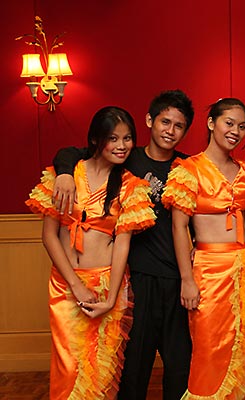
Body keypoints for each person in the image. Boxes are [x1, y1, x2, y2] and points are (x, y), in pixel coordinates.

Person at [51, 90, 195, 400]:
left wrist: (191, 277)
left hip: (176, 280)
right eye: (165, 122)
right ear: (150, 121)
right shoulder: (128, 158)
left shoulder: (188, 167)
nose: (170, 131)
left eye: (179, 126)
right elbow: (75, 152)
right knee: (132, 370)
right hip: (137, 279)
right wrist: (63, 173)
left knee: (180, 368)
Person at [26, 106, 156, 399]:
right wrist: (75, 285)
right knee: (69, 368)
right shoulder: (65, 176)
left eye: (127, 138)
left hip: (108, 284)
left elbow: (122, 244)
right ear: (97, 139)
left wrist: (110, 298)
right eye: (113, 138)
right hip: (65, 286)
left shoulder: (130, 186)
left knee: (100, 371)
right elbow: (49, 236)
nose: (121, 146)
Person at [162, 98, 245, 399]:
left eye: (242, 126)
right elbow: (179, 228)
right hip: (209, 271)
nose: (235, 131)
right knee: (209, 349)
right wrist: (187, 279)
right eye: (229, 123)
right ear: (211, 123)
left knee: (242, 349)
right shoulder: (188, 170)